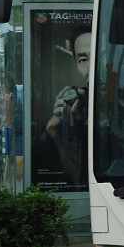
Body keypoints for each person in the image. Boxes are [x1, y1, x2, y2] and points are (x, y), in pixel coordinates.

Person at [40, 28, 91, 187]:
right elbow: (71, 175)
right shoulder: (76, 101)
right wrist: (55, 132)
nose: (92, 67)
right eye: (83, 59)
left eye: (99, 56)